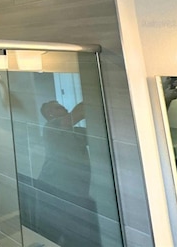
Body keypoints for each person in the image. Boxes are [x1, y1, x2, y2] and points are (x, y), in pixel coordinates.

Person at [35, 100, 101, 247]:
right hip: (53, 190)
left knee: (76, 238)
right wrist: (94, 97)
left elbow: (101, 135)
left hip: (75, 194)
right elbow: (78, 113)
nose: (64, 107)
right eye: (59, 107)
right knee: (52, 236)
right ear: (50, 114)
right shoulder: (50, 127)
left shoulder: (75, 131)